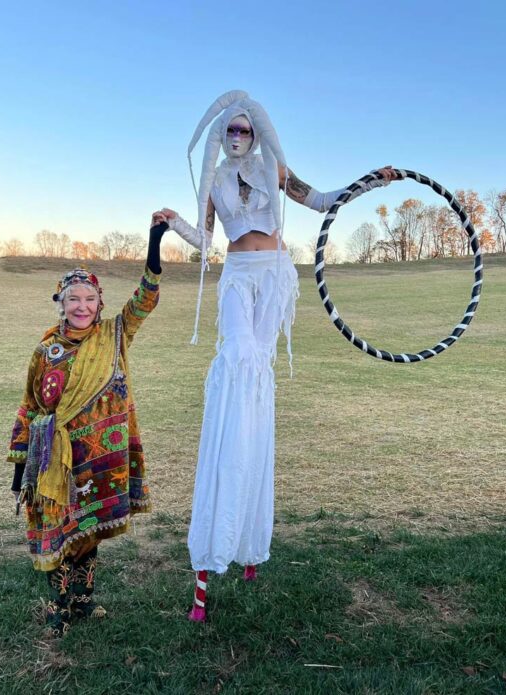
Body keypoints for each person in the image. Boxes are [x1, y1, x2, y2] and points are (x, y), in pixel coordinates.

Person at [155, 90, 395, 621]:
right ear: (222, 137)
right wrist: (172, 221)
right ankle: (225, 492)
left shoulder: (276, 171)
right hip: (238, 277)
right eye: (232, 131)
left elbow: (323, 199)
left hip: (277, 277)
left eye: (247, 130)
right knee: (238, 362)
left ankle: (247, 528)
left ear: (258, 134)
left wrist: (370, 181)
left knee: (257, 376)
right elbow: (204, 241)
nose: (240, 138)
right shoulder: (215, 183)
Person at [7, 219, 168, 637]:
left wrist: (155, 241)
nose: (81, 306)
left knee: (86, 535)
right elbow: (29, 405)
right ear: (60, 302)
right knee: (55, 531)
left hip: (98, 458)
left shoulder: (114, 336)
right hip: (53, 461)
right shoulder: (45, 351)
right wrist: (19, 465)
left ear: (100, 303)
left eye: (90, 298)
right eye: (72, 298)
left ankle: (83, 600)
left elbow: (146, 299)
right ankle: (56, 609)